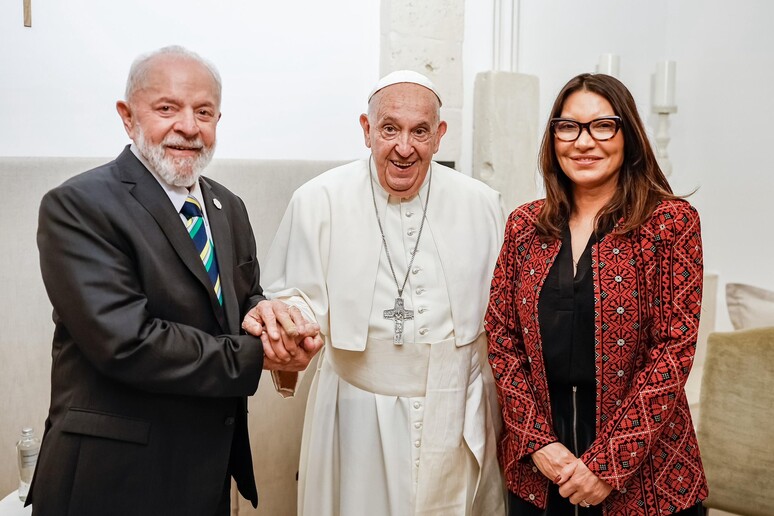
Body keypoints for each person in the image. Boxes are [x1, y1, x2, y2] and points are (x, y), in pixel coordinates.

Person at [29, 46, 321, 516]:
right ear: (128, 116)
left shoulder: (229, 207)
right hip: (114, 479)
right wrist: (257, 353)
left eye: (203, 112)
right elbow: (128, 343)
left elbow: (241, 300)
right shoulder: (79, 206)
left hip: (206, 473)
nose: (189, 126)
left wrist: (272, 320)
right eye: (167, 108)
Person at [248, 70, 507, 515]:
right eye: (390, 129)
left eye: (420, 131)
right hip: (355, 412)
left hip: (456, 409)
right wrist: (290, 324)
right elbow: (293, 296)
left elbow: (505, 315)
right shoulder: (318, 200)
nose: (404, 148)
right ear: (367, 131)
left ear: (439, 135)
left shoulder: (482, 203)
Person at [485, 72, 709, 516]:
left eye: (602, 125)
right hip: (539, 473)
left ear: (628, 135)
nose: (584, 142)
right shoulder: (524, 226)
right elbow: (501, 336)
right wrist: (537, 444)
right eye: (568, 127)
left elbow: (673, 351)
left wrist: (608, 465)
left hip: (647, 475)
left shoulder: (671, 223)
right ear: (553, 139)